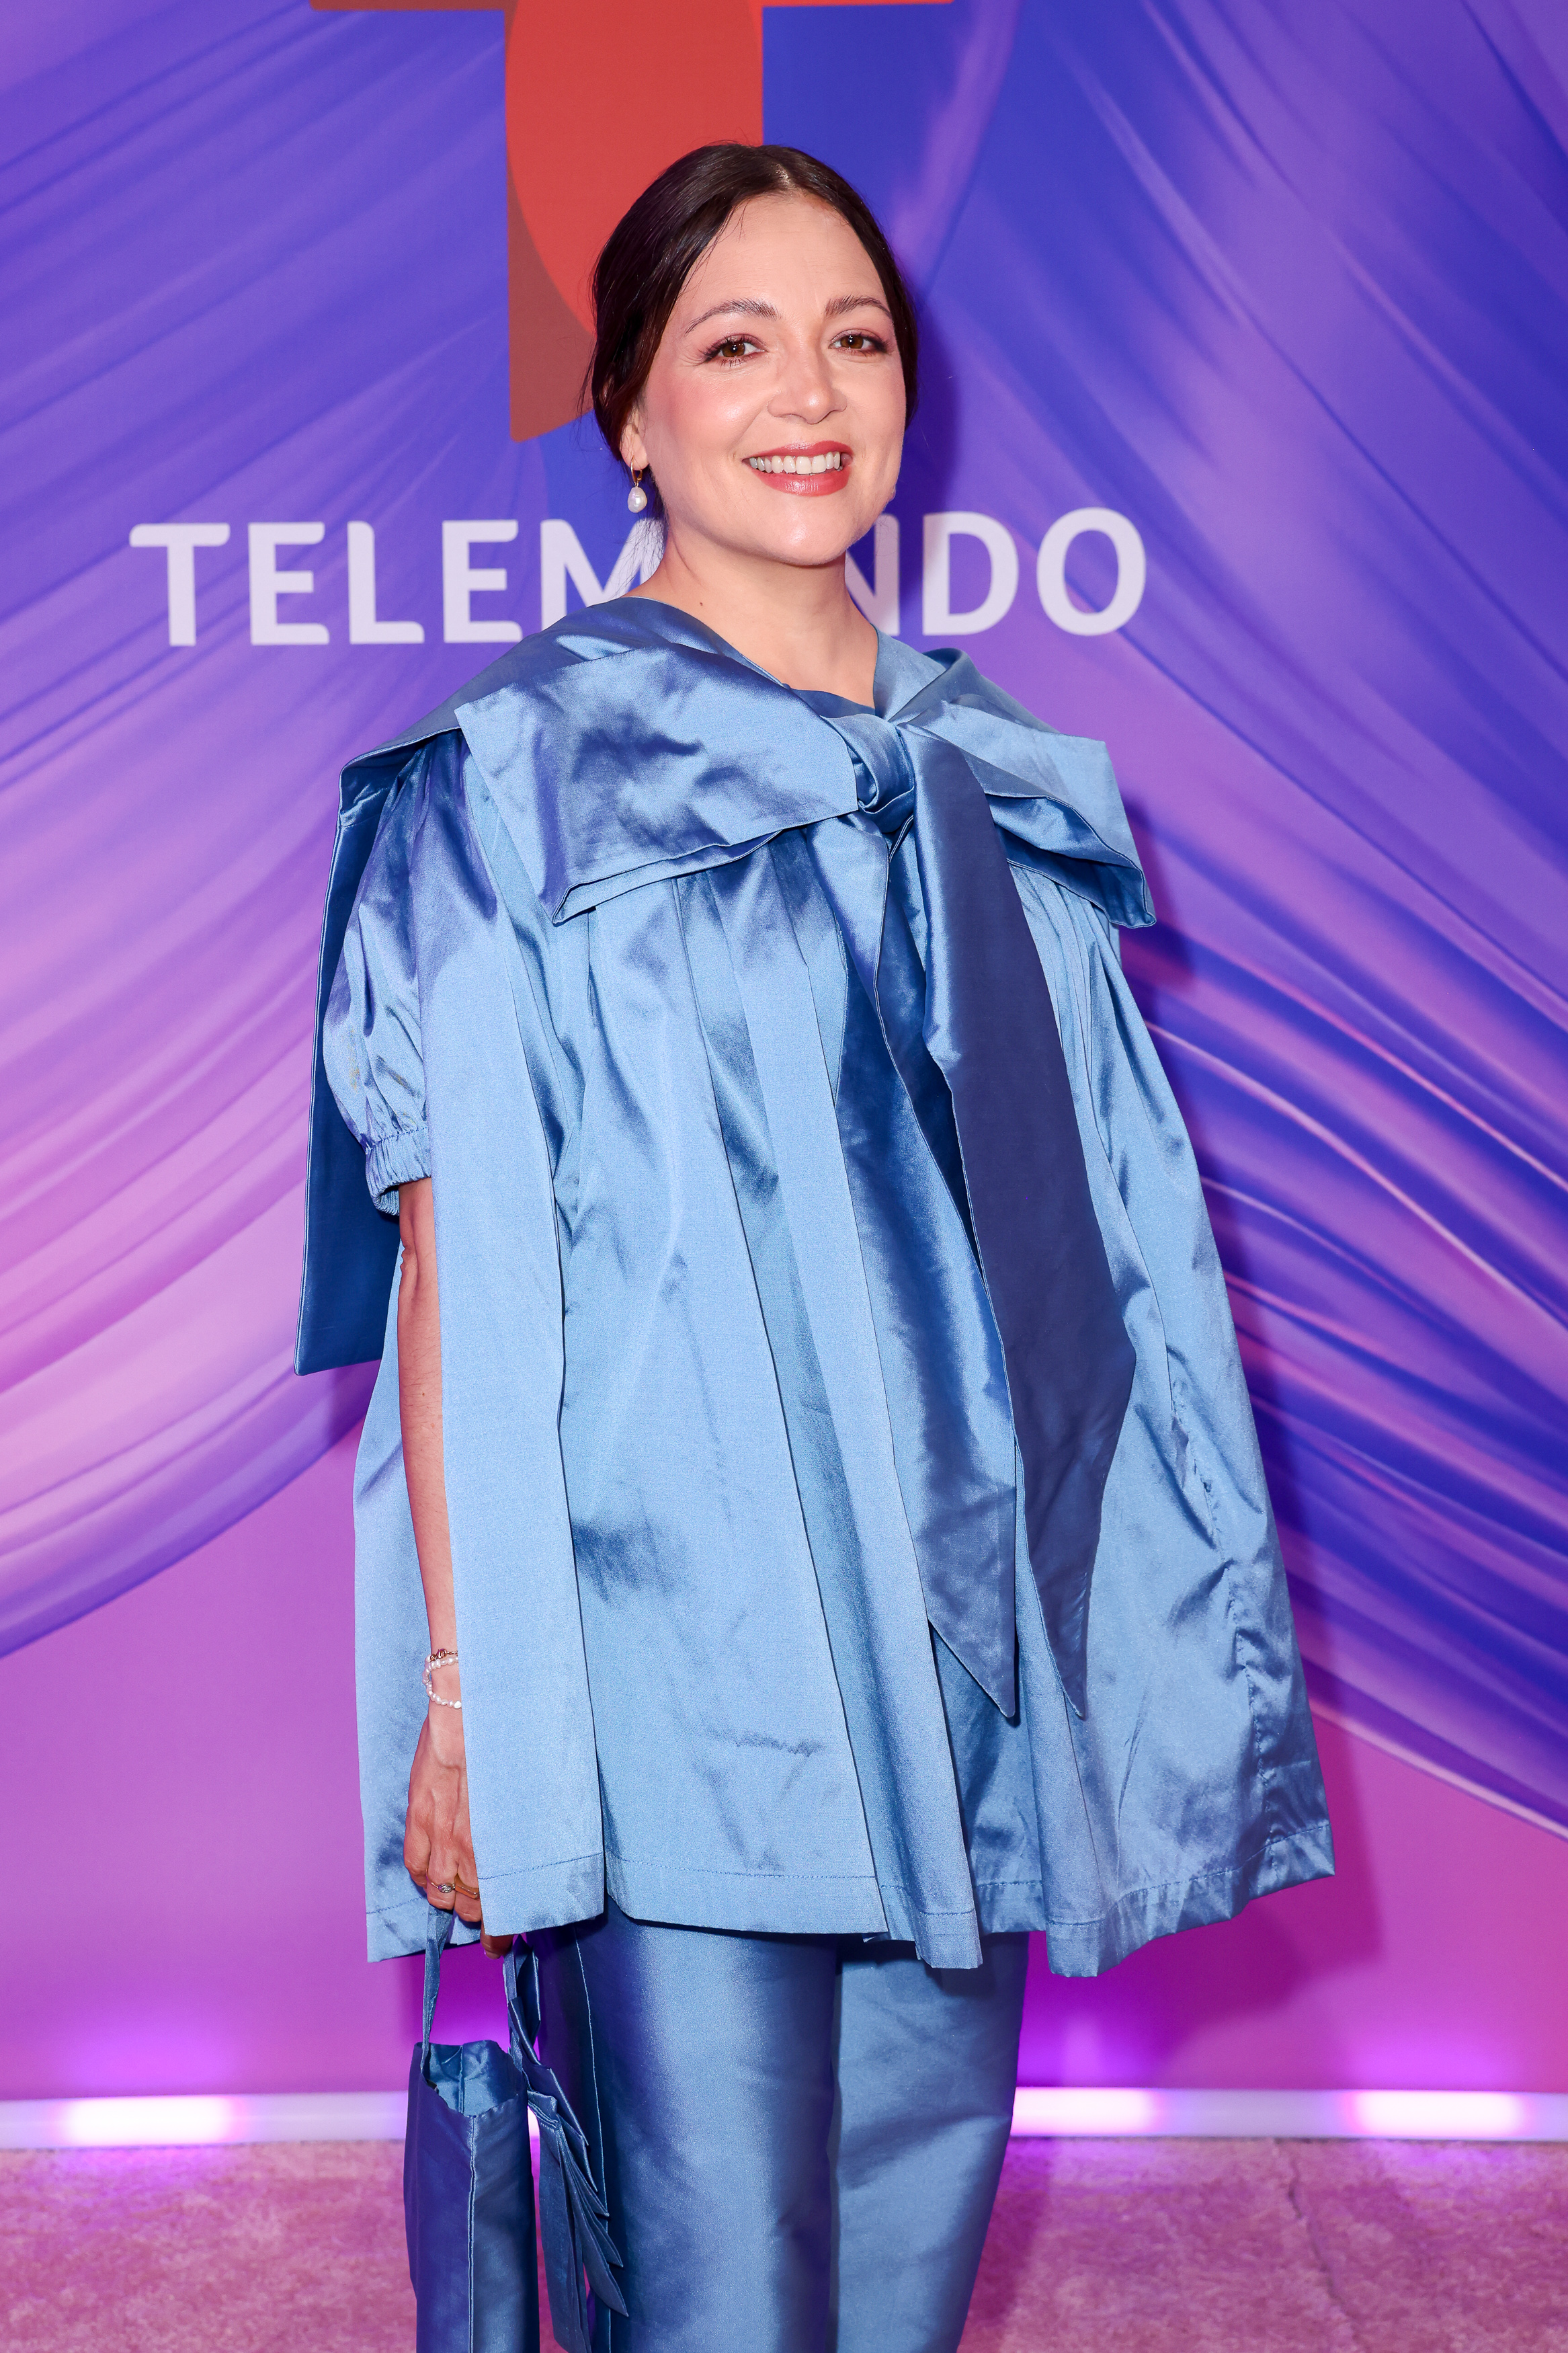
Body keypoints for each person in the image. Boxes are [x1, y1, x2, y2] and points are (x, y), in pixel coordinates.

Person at [296, 143, 1332, 2353]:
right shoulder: (514, 782)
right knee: (709, 2309)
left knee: (894, 2305)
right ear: (629, 415)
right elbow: (455, 1266)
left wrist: (1107, 1641)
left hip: (947, 1676)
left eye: (856, 337)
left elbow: (1097, 1284)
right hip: (670, 1687)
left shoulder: (980, 773)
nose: (811, 390)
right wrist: (473, 1706)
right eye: (735, 341)